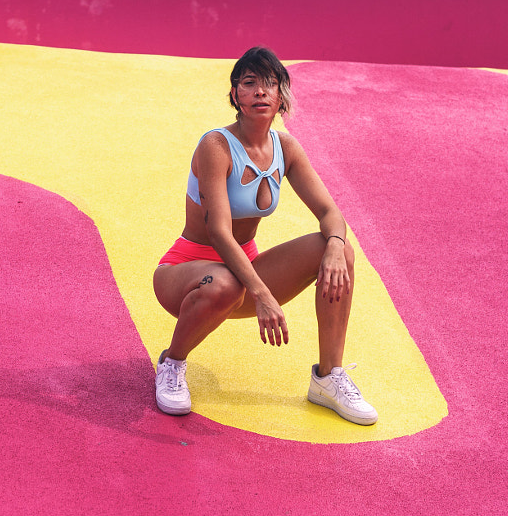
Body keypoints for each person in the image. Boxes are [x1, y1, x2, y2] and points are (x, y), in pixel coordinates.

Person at [152, 46, 377, 425]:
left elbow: (330, 213)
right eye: (249, 83)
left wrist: (337, 245)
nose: (260, 91)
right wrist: (263, 294)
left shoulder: (286, 148)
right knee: (224, 282)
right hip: (188, 272)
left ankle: (328, 377)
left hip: (244, 274)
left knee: (336, 250)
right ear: (235, 95)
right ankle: (171, 363)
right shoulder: (216, 146)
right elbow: (219, 233)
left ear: (281, 95)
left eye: (269, 84)